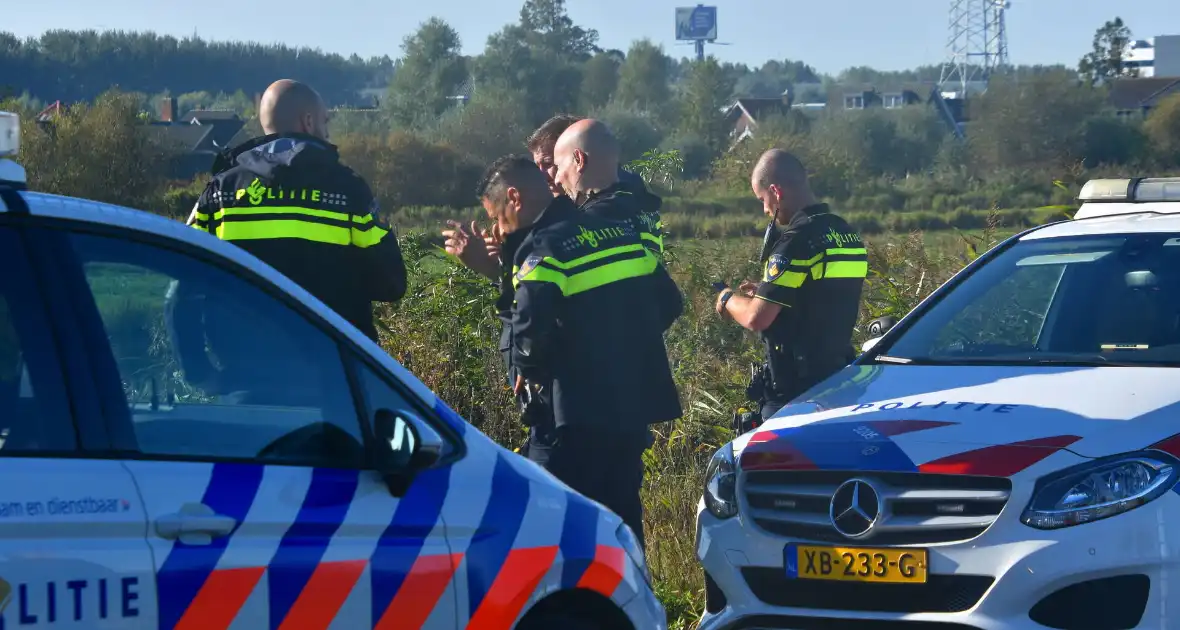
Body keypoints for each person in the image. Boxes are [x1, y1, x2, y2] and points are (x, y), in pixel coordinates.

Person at [476, 154, 683, 548]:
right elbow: (670, 303)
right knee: (623, 522)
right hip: (629, 410)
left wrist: (528, 369)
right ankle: (632, 602)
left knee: (559, 530)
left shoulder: (544, 247)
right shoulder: (618, 233)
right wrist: (619, 345)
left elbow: (528, 329)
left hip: (574, 420)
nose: (496, 228)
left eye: (496, 215)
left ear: (514, 198)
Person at [185, 79, 406, 342]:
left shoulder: (221, 191)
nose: (327, 133)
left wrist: (198, 371)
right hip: (331, 368)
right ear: (309, 121)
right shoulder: (347, 190)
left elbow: (184, 281)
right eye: (325, 123)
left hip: (241, 368)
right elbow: (391, 284)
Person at [715, 149, 867, 422]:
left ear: (775, 191)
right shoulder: (846, 233)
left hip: (797, 392)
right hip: (840, 380)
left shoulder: (795, 241)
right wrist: (768, 289)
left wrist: (727, 298)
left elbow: (756, 318)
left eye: (762, 199)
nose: (765, 209)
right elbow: (821, 293)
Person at [528, 115, 665, 257]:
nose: (541, 176)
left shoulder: (598, 216)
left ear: (578, 159)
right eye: (536, 166)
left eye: (551, 164)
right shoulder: (639, 199)